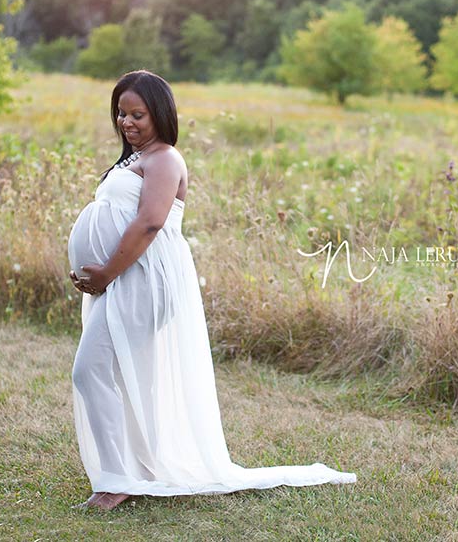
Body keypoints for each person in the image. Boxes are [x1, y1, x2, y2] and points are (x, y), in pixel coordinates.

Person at [66, 69, 357, 511]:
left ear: (160, 113)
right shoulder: (134, 158)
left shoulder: (164, 158)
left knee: (90, 369)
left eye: (137, 114)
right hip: (123, 279)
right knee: (111, 372)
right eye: (121, 113)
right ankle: (130, 468)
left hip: (144, 280)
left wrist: (106, 271)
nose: (127, 122)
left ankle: (118, 479)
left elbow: (149, 223)